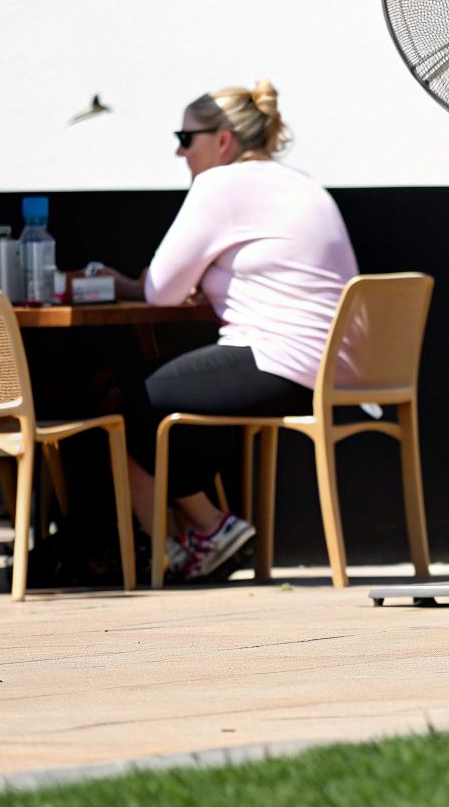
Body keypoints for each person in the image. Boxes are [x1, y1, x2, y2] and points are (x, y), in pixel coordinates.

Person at [97, 80, 359, 580]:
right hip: (331, 367)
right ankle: (202, 533)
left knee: (122, 397)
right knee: (162, 393)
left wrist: (118, 284)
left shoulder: (220, 184)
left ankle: (190, 539)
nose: (179, 150)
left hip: (278, 361)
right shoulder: (300, 182)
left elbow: (161, 292)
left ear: (221, 141)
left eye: (185, 136)